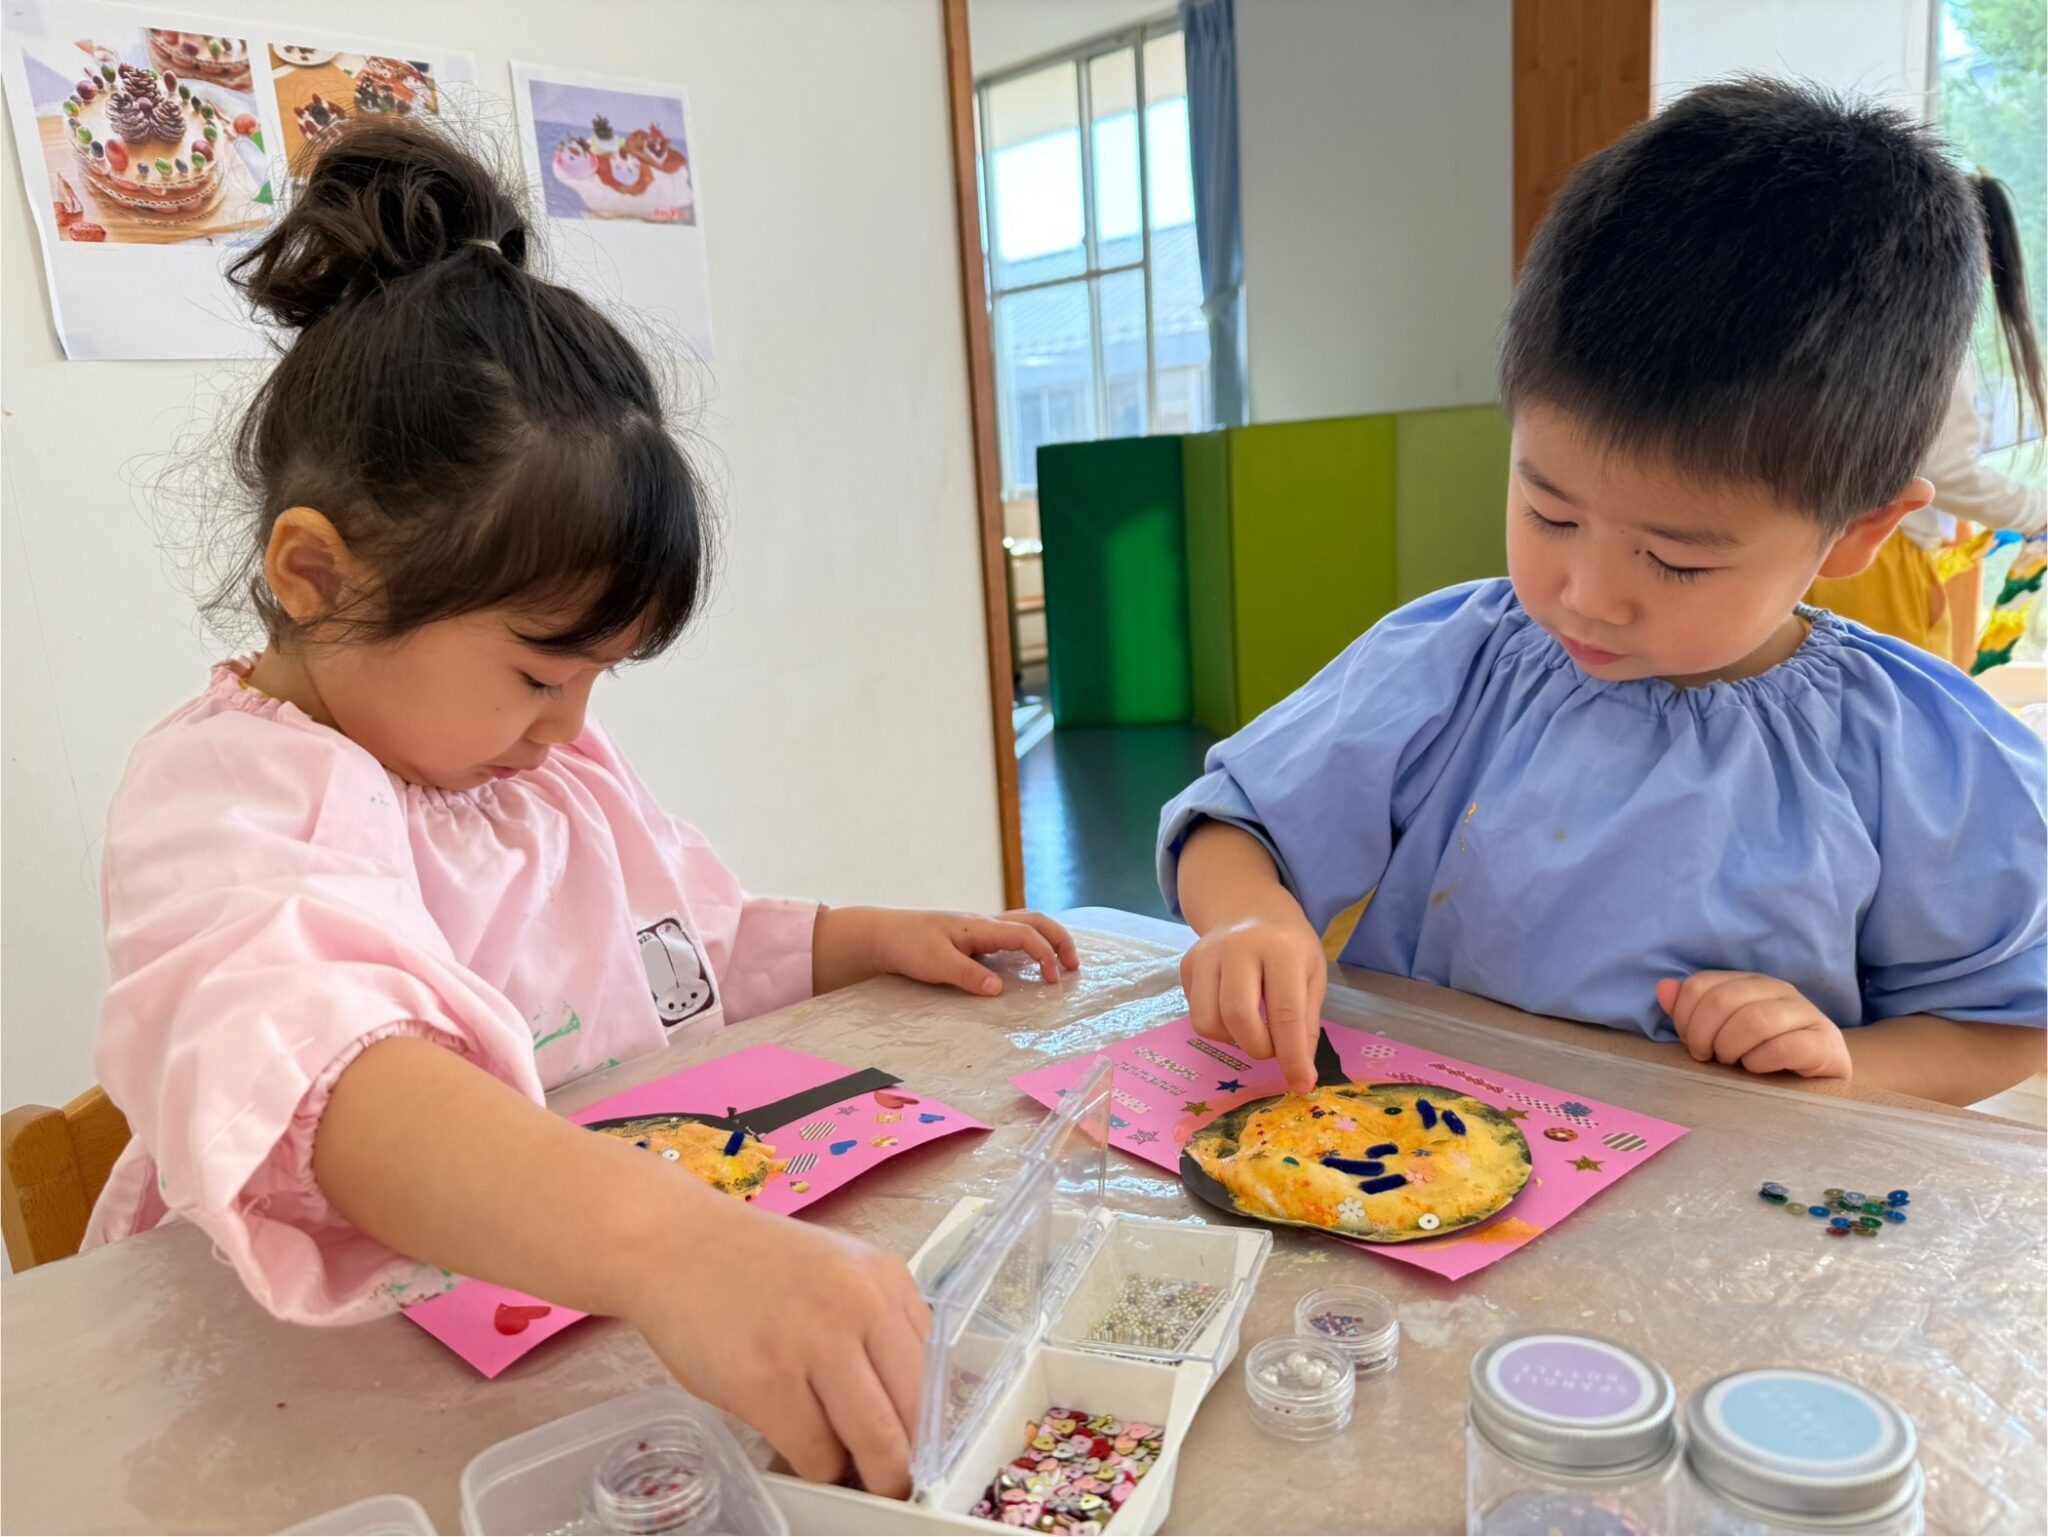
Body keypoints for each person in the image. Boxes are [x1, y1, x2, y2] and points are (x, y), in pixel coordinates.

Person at [86, 119, 1079, 1498]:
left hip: (554, 1343)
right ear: (315, 576)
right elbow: (327, 1078)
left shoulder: (532, 767)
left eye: (599, 678)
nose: (570, 727)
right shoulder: (230, 796)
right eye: (541, 673)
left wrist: (859, 937)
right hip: (296, 1394)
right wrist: (678, 1248)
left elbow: (681, 947)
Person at [1158, 79, 2046, 1108]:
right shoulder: (1455, 661)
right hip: (1411, 1165)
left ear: (1858, 530)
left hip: (1721, 1197)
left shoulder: (1919, 755)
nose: (1585, 596)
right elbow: (1235, 824)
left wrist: (1844, 1068)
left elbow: (2009, 1021)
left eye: (1674, 561)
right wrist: (1249, 916)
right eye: (1548, 512)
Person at [1808, 173, 2046, 659]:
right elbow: (1946, 472)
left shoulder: (1846, 324)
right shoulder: (1927, 342)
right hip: (1874, 560)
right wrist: (2035, 513)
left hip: (1814, 551)